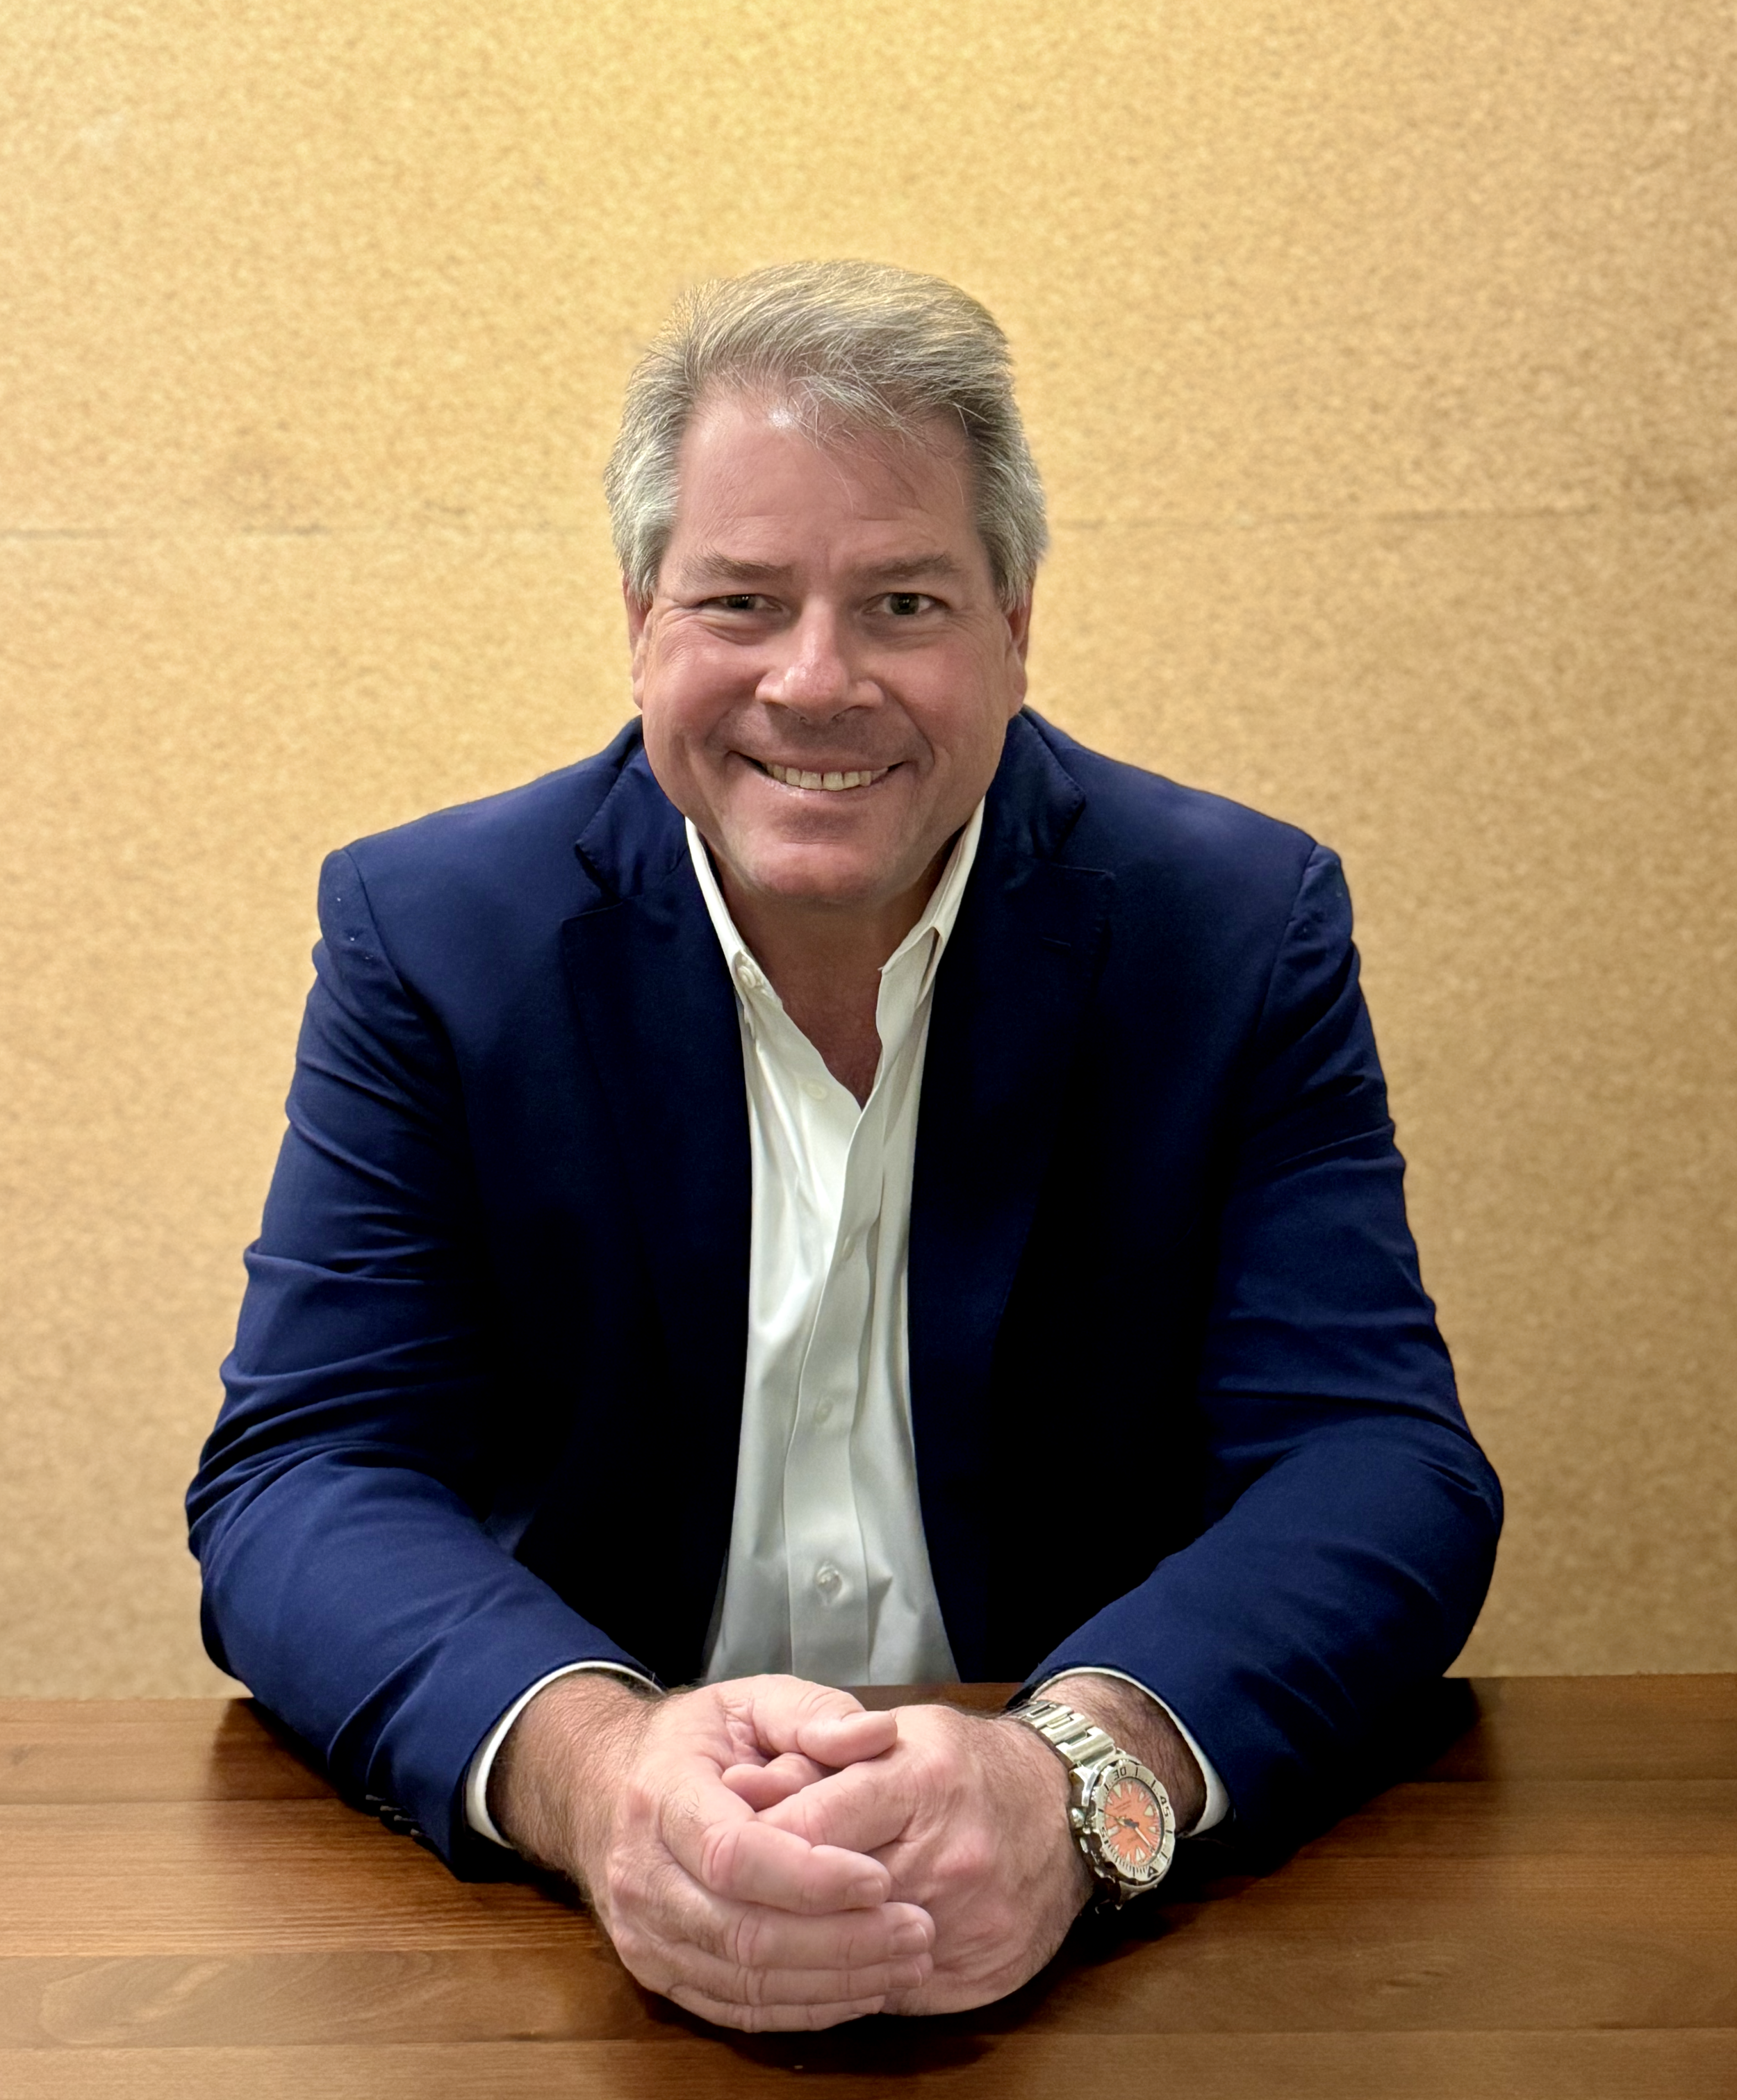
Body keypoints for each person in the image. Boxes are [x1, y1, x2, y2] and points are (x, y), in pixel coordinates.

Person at [188, 260, 1502, 2033]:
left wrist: (1070, 1776)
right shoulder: (437, 932)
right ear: (640, 613)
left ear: (1014, 624)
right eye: (740, 598)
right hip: (560, 1966)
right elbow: (305, 1468)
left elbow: (1376, 1464)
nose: (816, 681)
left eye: (901, 599)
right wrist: (597, 1771)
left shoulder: (1231, 925)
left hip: (1108, 1975)